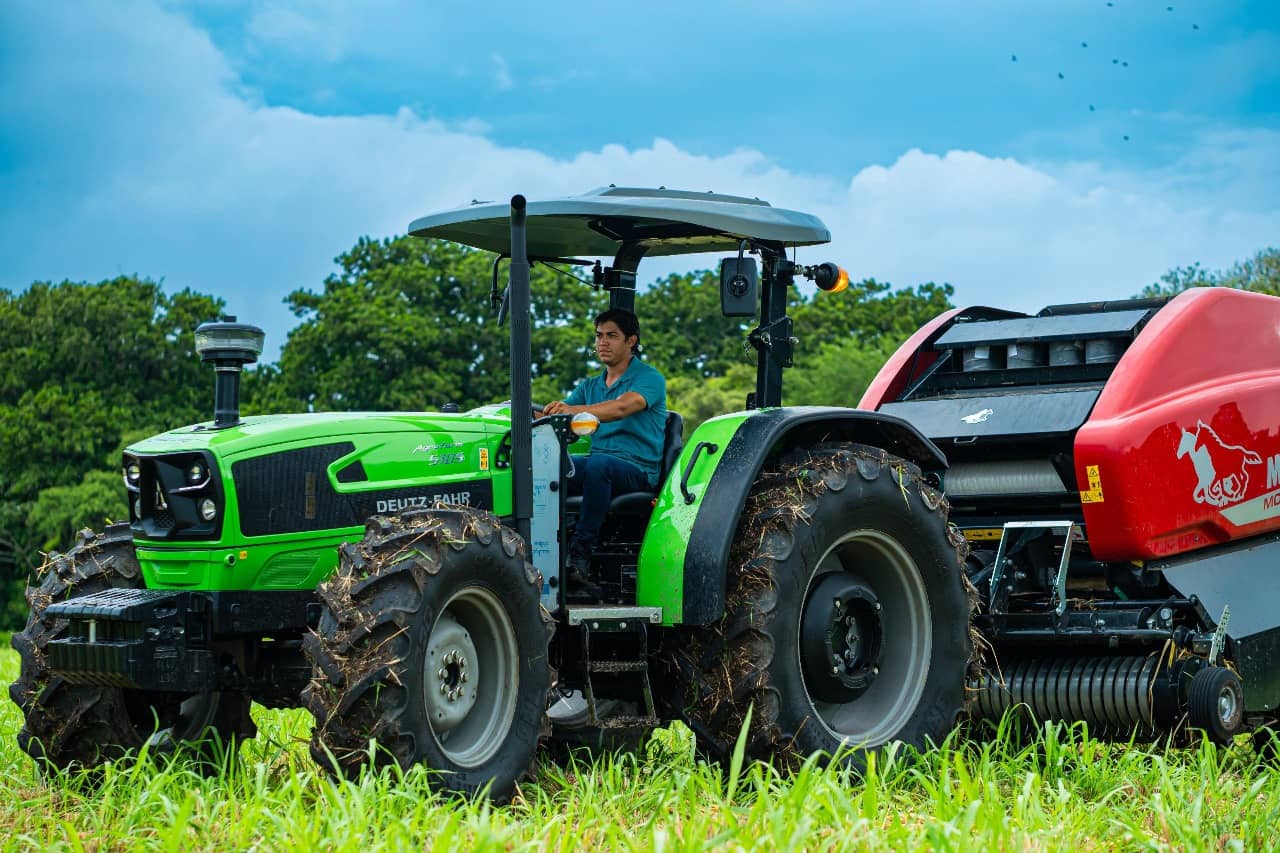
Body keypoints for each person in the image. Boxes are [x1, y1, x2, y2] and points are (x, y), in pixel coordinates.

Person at [543, 308, 667, 595]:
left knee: (598, 465)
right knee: (554, 467)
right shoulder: (591, 386)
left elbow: (623, 407)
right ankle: (543, 548)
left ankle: (581, 555)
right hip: (602, 464)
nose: (603, 342)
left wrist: (573, 410)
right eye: (599, 336)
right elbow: (564, 416)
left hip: (637, 470)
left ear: (631, 341)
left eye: (612, 336)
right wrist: (549, 414)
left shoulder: (648, 379)